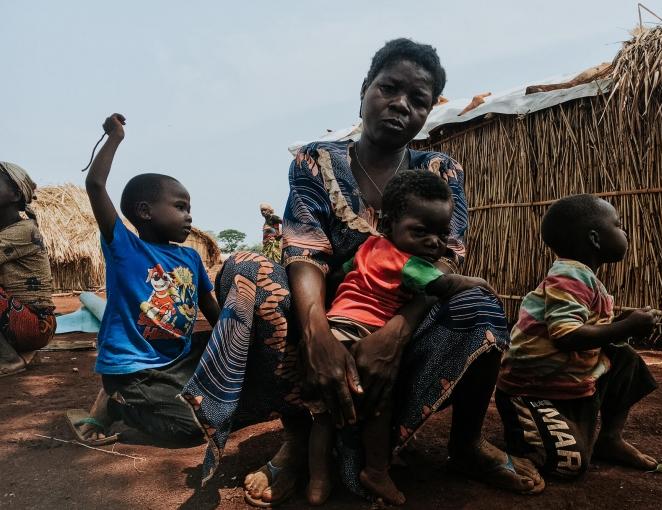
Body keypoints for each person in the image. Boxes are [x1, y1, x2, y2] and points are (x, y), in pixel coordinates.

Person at [180, 38, 543, 507]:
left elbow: (441, 263)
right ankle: (298, 443)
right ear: (364, 90)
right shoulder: (316, 161)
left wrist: (395, 333)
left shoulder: (438, 170)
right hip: (320, 320)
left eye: (419, 100)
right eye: (389, 88)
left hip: (402, 322)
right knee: (247, 271)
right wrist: (317, 335)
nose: (401, 105)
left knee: (479, 300)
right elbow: (304, 249)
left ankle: (466, 443)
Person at [308, 170, 497, 505]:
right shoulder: (409, 263)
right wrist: (476, 282)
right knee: (379, 402)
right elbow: (444, 285)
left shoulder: (368, 247)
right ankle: (376, 471)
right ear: (388, 225)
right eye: (421, 232)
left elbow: (340, 273)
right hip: (362, 330)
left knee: (326, 412)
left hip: (338, 323)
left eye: (442, 234)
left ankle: (318, 480)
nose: (434, 243)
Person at [65, 113, 220, 446]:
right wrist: (115, 138)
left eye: (189, 207)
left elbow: (210, 308)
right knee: (191, 430)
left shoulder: (191, 257)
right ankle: (119, 410)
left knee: (225, 349)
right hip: (134, 371)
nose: (189, 215)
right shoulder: (125, 248)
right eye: (180, 206)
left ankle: (167, 397)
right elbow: (95, 186)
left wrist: (231, 346)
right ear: (145, 211)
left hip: (177, 359)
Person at [495, 194, 662, 480]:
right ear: (595, 239)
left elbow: (589, 332)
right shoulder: (570, 276)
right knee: (566, 465)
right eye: (618, 225)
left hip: (568, 380)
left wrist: (626, 323)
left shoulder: (584, 278)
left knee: (624, 358)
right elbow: (565, 335)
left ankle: (610, 438)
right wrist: (627, 326)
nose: (625, 231)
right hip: (534, 389)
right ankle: (516, 444)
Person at [0, 161, 56, 377]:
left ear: (15, 194)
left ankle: (9, 359)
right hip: (17, 322)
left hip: (35, 325)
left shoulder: (23, 231)